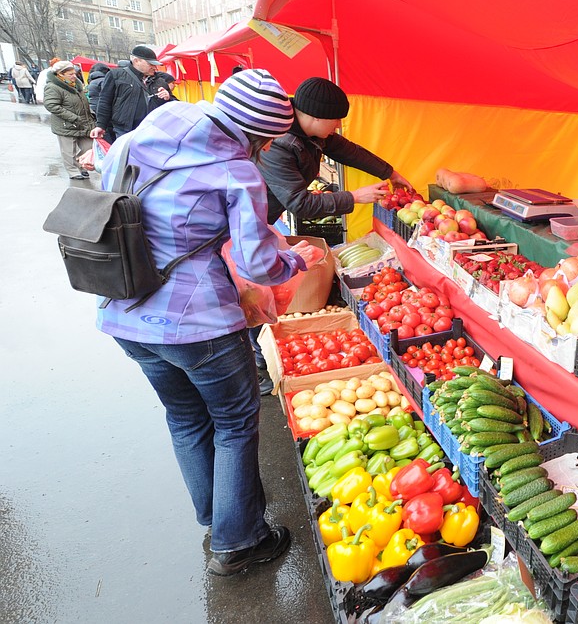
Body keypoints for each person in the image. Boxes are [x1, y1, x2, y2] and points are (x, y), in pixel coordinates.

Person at [97, 69, 319, 576]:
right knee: (235, 423)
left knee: (184, 416)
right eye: (266, 139)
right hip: (197, 322)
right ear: (260, 134)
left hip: (123, 309)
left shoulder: (136, 137)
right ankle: (239, 540)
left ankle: (216, 518)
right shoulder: (236, 169)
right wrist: (296, 261)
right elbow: (260, 264)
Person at [249, 77, 414, 393]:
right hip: (251, 222)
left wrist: (389, 172)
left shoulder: (311, 135)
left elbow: (347, 150)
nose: (338, 126)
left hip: (264, 218)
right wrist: (355, 197)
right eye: (336, 119)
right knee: (253, 290)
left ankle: (258, 354)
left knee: (261, 288)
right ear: (313, 116)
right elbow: (300, 203)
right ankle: (259, 364)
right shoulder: (280, 144)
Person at [90, 45, 172, 143]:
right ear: (136, 61)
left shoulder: (160, 80)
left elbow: (173, 103)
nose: (155, 67)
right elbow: (105, 101)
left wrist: (168, 97)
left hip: (153, 130)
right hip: (125, 131)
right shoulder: (116, 75)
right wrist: (100, 125)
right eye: (150, 64)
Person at [42, 60, 96, 180]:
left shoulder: (76, 84)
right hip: (66, 124)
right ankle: (73, 171)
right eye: (70, 74)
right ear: (60, 74)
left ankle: (80, 165)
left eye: (74, 73)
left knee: (89, 146)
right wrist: (73, 117)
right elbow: (51, 105)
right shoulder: (53, 87)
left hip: (83, 122)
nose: (74, 76)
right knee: (68, 151)